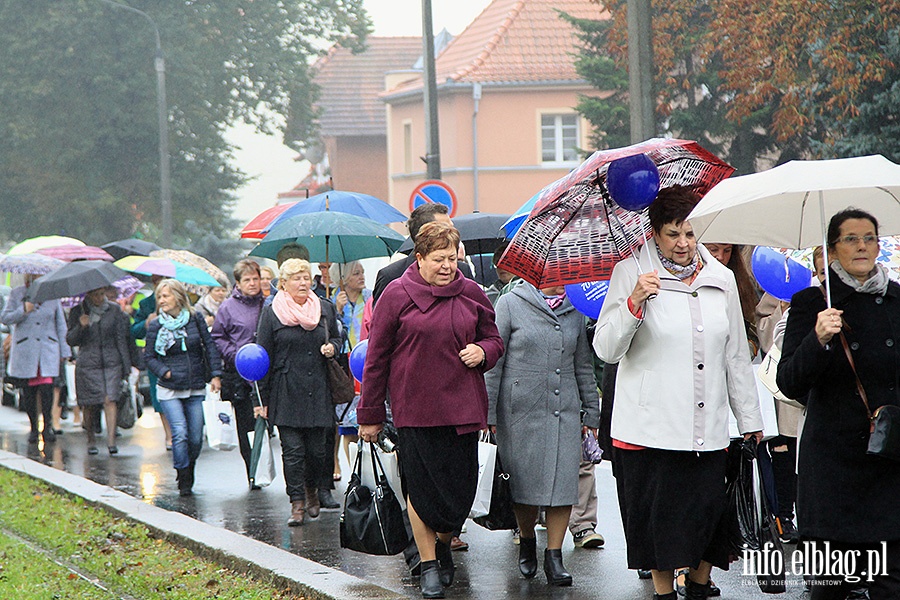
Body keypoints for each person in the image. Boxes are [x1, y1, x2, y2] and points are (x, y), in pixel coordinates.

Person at [594, 185, 763, 600]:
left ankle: (700, 586)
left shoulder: (720, 278)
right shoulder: (631, 271)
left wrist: (750, 421)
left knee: (709, 517)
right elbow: (606, 348)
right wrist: (634, 303)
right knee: (660, 523)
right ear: (654, 233)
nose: (684, 243)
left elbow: (736, 357)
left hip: (707, 425)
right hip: (651, 427)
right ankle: (664, 592)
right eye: (674, 234)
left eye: (691, 233)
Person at [358, 222, 504, 599]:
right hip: (416, 410)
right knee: (421, 492)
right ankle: (427, 564)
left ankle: (442, 543)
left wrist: (483, 352)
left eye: (452, 259)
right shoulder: (396, 294)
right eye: (438, 259)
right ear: (419, 259)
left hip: (464, 408)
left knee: (460, 491)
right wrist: (370, 414)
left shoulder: (471, 292)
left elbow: (493, 338)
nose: (447, 266)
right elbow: (376, 359)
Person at [777, 208, 900, 599]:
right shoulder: (811, 303)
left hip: (888, 464)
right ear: (832, 250)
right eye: (850, 239)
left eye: (869, 238)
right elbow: (790, 383)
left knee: (890, 584)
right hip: (833, 472)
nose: (862, 246)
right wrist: (818, 338)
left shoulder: (897, 299)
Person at [485, 281, 600, 586]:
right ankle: (526, 540)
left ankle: (554, 556)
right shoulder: (510, 304)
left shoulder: (575, 310)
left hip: (564, 408)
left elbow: (583, 365)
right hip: (519, 410)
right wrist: (488, 414)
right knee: (523, 485)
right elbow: (494, 363)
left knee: (563, 483)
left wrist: (591, 411)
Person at [255, 258, 341, 526]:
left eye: (306, 277)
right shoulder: (272, 313)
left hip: (318, 390)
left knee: (317, 451)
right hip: (286, 390)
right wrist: (262, 400)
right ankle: (297, 503)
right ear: (283, 283)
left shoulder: (324, 308)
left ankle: (312, 490)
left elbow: (337, 338)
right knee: (292, 452)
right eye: (296, 278)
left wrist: (333, 348)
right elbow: (262, 357)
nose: (303, 282)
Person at [144, 279, 223, 496]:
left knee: (196, 437)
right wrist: (164, 372)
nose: (161, 301)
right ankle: (183, 475)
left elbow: (209, 346)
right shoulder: (156, 325)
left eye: (166, 296)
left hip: (195, 385)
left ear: (178, 297)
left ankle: (189, 465)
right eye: (159, 297)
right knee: (180, 432)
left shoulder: (195, 318)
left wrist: (216, 375)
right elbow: (149, 357)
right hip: (169, 388)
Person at [211, 259, 264, 487]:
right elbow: (217, 336)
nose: (252, 284)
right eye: (247, 280)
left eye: (256, 279)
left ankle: (266, 467)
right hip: (239, 374)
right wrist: (235, 354)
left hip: (266, 371)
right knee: (247, 425)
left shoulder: (268, 303)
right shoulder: (228, 307)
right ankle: (253, 471)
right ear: (238, 283)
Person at [0, 274, 71, 444]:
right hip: (26, 350)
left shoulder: (52, 296)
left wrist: (64, 350)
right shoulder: (17, 294)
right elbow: (5, 318)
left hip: (47, 349)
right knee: (29, 391)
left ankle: (46, 426)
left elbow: (60, 324)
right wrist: (24, 309)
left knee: (47, 389)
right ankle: (33, 428)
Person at [66, 287, 137, 455]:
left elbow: (121, 338)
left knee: (110, 399)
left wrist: (126, 367)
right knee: (90, 402)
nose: (100, 298)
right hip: (88, 363)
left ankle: (111, 441)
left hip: (112, 362)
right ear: (88, 295)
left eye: (102, 294)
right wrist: (80, 327)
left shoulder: (114, 310)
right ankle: (90, 438)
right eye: (96, 295)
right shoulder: (78, 311)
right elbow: (70, 340)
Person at [372, 203, 474, 305]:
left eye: (452, 228)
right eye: (444, 229)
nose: (451, 233)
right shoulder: (391, 276)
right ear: (423, 234)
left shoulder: (462, 272)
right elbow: (381, 318)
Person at [329, 261, 370, 483]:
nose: (361, 276)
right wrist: (336, 310)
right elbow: (329, 332)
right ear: (343, 278)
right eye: (356, 273)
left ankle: (366, 465)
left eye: (362, 272)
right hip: (344, 363)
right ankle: (349, 466)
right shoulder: (333, 299)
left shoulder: (371, 296)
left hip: (367, 360)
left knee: (364, 414)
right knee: (346, 420)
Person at [132, 274, 172, 450]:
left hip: (178, 354)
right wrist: (146, 323)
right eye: (157, 282)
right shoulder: (146, 304)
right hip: (156, 356)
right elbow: (135, 330)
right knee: (160, 398)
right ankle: (169, 435)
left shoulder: (180, 299)